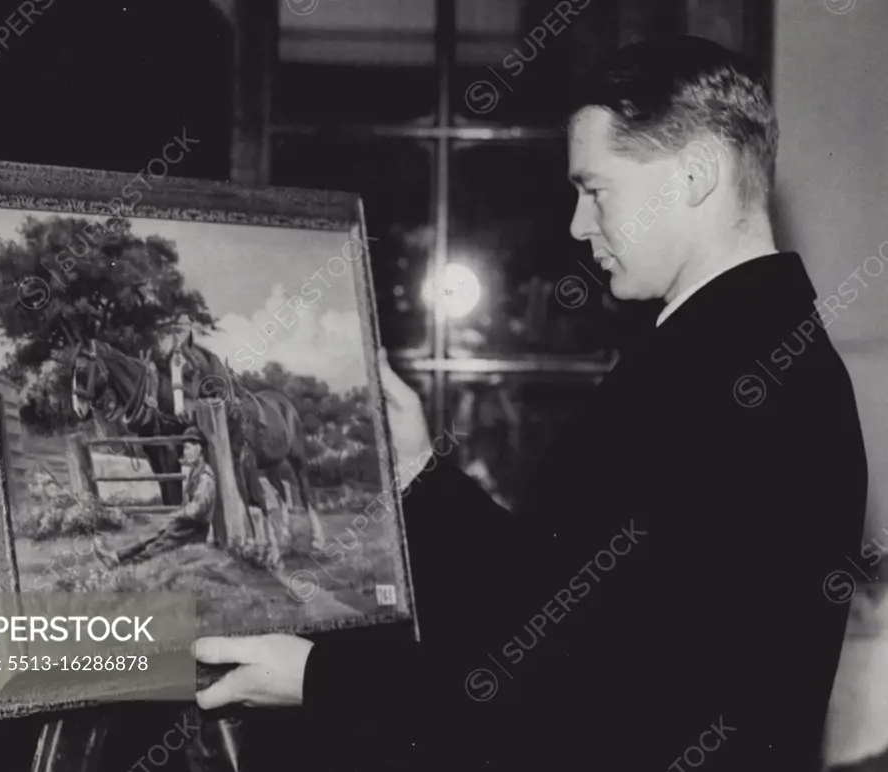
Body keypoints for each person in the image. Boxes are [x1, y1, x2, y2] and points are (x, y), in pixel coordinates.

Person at [191, 36, 869, 771]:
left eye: (595, 188)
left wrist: (319, 681)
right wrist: (420, 468)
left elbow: (571, 695)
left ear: (697, 173)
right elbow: (558, 604)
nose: (578, 225)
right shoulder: (741, 351)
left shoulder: (720, 379)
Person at [94, 425, 216, 566]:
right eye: (184, 448)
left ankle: (126, 564)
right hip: (188, 524)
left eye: (188, 448)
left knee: (161, 544)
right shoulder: (195, 473)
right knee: (152, 535)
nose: (185, 452)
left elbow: (197, 510)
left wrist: (177, 514)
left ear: (200, 448)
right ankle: (118, 556)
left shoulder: (206, 478)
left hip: (195, 529)